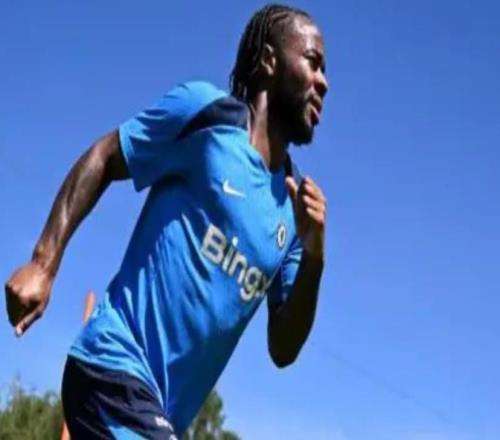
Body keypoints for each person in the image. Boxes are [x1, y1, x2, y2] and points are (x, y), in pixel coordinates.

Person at [5, 3, 328, 438]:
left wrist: (314, 258)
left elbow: (283, 348)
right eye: (313, 62)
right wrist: (44, 262)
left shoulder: (293, 209)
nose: (323, 82)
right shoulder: (206, 116)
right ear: (270, 61)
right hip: (112, 366)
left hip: (157, 412)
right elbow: (106, 156)